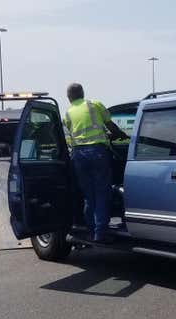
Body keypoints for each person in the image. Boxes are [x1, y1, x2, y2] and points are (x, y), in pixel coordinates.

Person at [64, 83, 128, 243]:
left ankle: (91, 231)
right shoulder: (95, 104)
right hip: (97, 153)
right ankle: (101, 233)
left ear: (69, 97)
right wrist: (120, 134)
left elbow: (71, 130)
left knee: (88, 195)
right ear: (83, 93)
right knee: (102, 193)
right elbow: (110, 125)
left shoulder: (68, 113)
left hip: (78, 155)